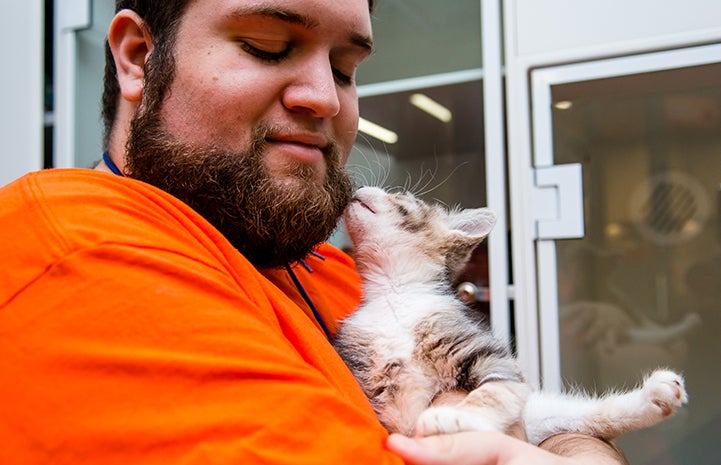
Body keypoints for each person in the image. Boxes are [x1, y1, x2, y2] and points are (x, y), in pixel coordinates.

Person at [0, 1, 629, 464]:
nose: (326, 98)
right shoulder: (76, 246)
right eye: (267, 45)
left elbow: (546, 424)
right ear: (140, 57)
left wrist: (581, 449)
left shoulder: (329, 273)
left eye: (347, 67)